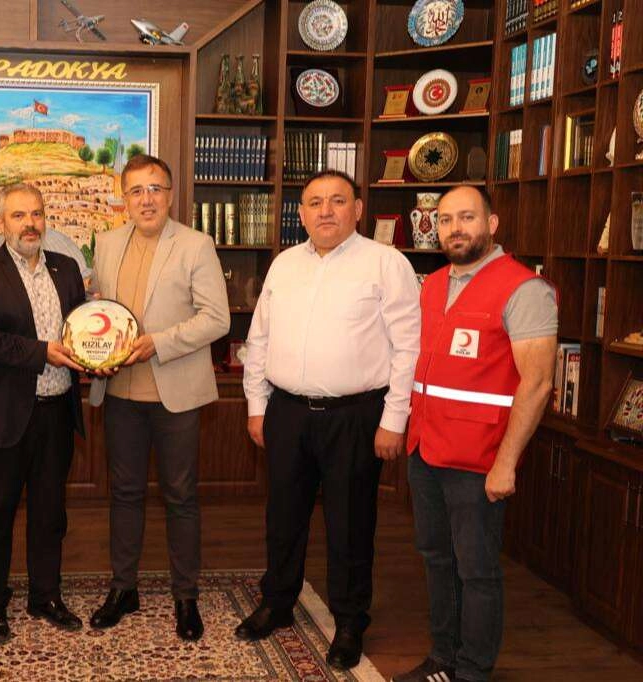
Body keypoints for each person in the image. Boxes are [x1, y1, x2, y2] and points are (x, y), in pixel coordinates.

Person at [238, 170, 421, 670]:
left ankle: (349, 621)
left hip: (354, 417)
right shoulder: (284, 265)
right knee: (283, 517)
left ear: (357, 209)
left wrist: (394, 419)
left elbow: (408, 347)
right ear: (300, 213)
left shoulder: (387, 263)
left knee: (350, 524)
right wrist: (257, 406)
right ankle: (278, 602)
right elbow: (259, 339)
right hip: (287, 413)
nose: (325, 211)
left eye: (337, 201)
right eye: (315, 202)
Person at [393, 185, 556, 682]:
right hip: (425, 450)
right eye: (445, 220)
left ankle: (472, 672)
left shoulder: (524, 289)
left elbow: (538, 383)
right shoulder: (433, 284)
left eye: (467, 217)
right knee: (436, 560)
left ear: (492, 224)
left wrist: (506, 463)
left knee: (477, 571)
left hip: (479, 460)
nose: (455, 229)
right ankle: (442, 658)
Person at [87, 153, 230, 641]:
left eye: (155, 189)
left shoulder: (195, 244)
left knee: (181, 497)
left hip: (176, 393)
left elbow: (217, 318)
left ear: (170, 194)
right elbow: (100, 309)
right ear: (123, 198)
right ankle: (123, 589)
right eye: (136, 190)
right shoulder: (107, 243)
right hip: (120, 391)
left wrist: (159, 343)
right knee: (124, 494)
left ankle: (185, 597)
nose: (146, 199)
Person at [0, 183, 87, 644]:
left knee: (51, 514)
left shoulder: (66, 268)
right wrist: (41, 353)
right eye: (18, 215)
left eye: (36, 214)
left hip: (57, 411)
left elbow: (82, 330)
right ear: (1, 223)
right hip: (5, 414)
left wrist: (99, 352)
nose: (30, 224)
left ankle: (45, 596)